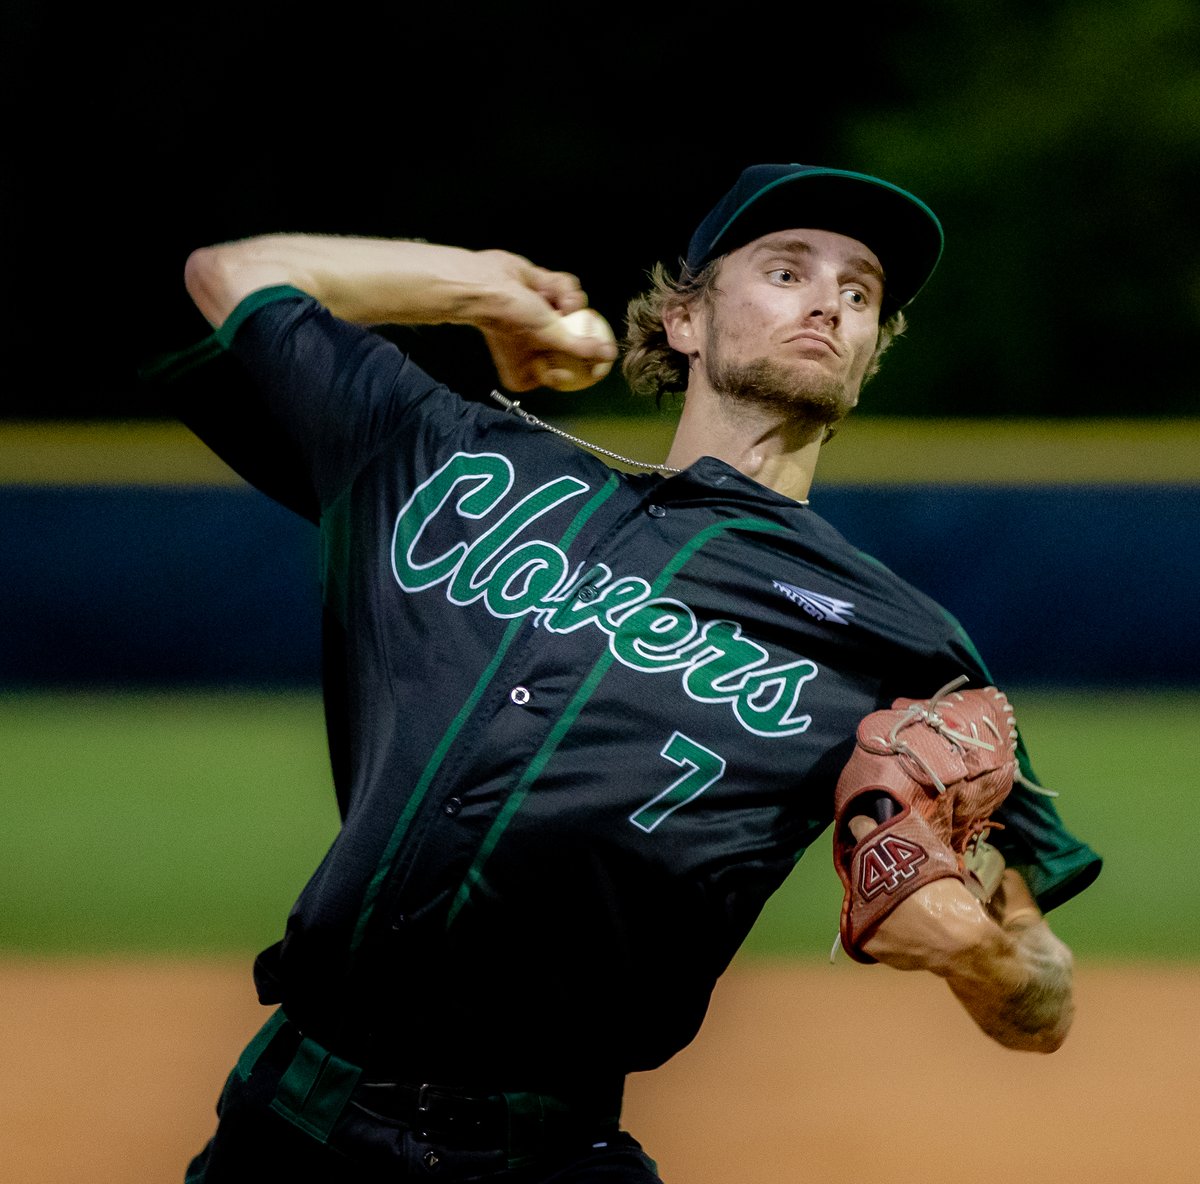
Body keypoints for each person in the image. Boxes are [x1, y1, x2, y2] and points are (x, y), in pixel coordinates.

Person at [168, 163, 1101, 1183]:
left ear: (869, 354)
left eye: (860, 292)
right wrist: (487, 288)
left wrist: (976, 947)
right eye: (786, 270)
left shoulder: (903, 646)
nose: (829, 301)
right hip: (290, 1123)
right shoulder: (457, 460)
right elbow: (232, 275)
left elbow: (1043, 1008)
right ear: (683, 321)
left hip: (549, 1155)